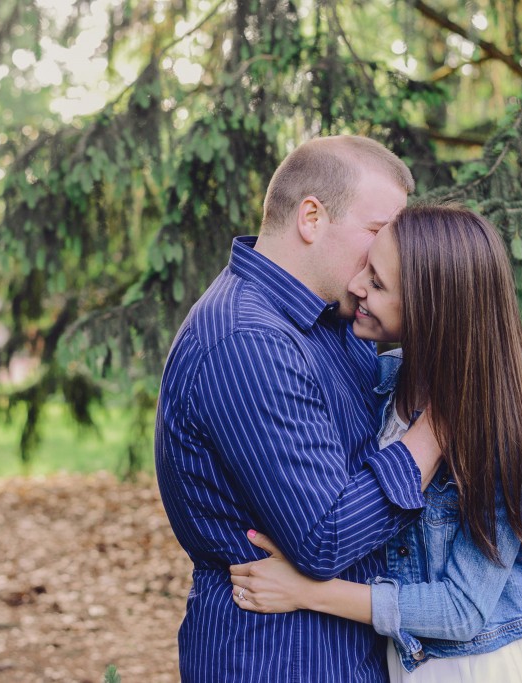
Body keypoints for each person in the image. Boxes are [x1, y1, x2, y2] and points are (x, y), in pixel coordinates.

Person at [229, 204, 522, 681]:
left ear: (433, 309)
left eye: (378, 282)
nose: (356, 286)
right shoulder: (382, 382)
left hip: (478, 666)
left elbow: (462, 610)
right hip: (406, 665)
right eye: (366, 268)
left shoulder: (496, 432)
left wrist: (309, 590)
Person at [155, 136, 445, 681]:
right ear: (311, 216)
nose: (394, 252)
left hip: (341, 651)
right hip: (278, 656)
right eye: (380, 231)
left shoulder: (336, 322)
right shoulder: (246, 339)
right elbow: (325, 536)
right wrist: (441, 428)